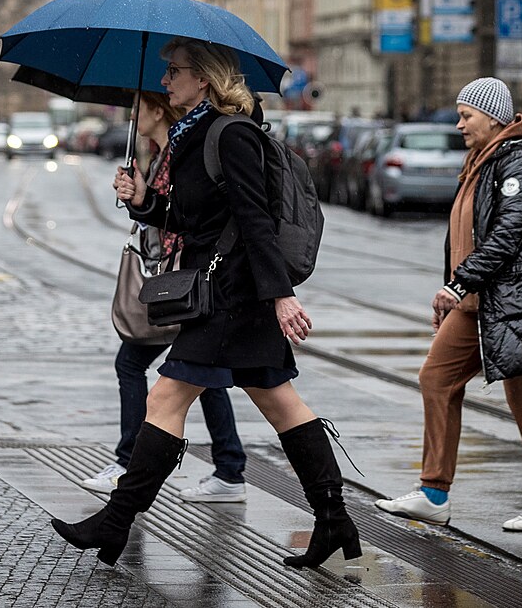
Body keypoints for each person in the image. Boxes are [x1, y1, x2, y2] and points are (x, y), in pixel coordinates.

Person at [57, 38, 359, 570]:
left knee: (165, 399)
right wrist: (146, 202)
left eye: (174, 71)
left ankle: (115, 522)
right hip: (230, 294)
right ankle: (333, 519)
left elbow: (255, 221)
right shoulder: (192, 137)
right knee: (280, 402)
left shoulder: (230, 133)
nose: (165, 81)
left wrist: (281, 296)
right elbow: (196, 220)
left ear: (205, 79)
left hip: (231, 297)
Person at [374, 77, 522, 533]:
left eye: (467, 115)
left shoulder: (517, 164)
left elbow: (508, 233)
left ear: (494, 117)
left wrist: (458, 284)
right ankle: (433, 493)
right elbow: (466, 237)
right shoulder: (480, 162)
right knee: (437, 379)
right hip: (477, 300)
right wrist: (455, 287)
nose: (460, 124)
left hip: (515, 301)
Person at [82, 90, 249, 503]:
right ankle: (229, 468)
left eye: (138, 107)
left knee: (138, 364)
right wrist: (138, 199)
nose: (132, 114)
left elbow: (185, 214)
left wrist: (147, 204)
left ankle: (129, 465)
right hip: (181, 278)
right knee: (203, 376)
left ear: (158, 109)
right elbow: (165, 211)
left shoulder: (179, 147)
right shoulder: (160, 150)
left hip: (184, 279)